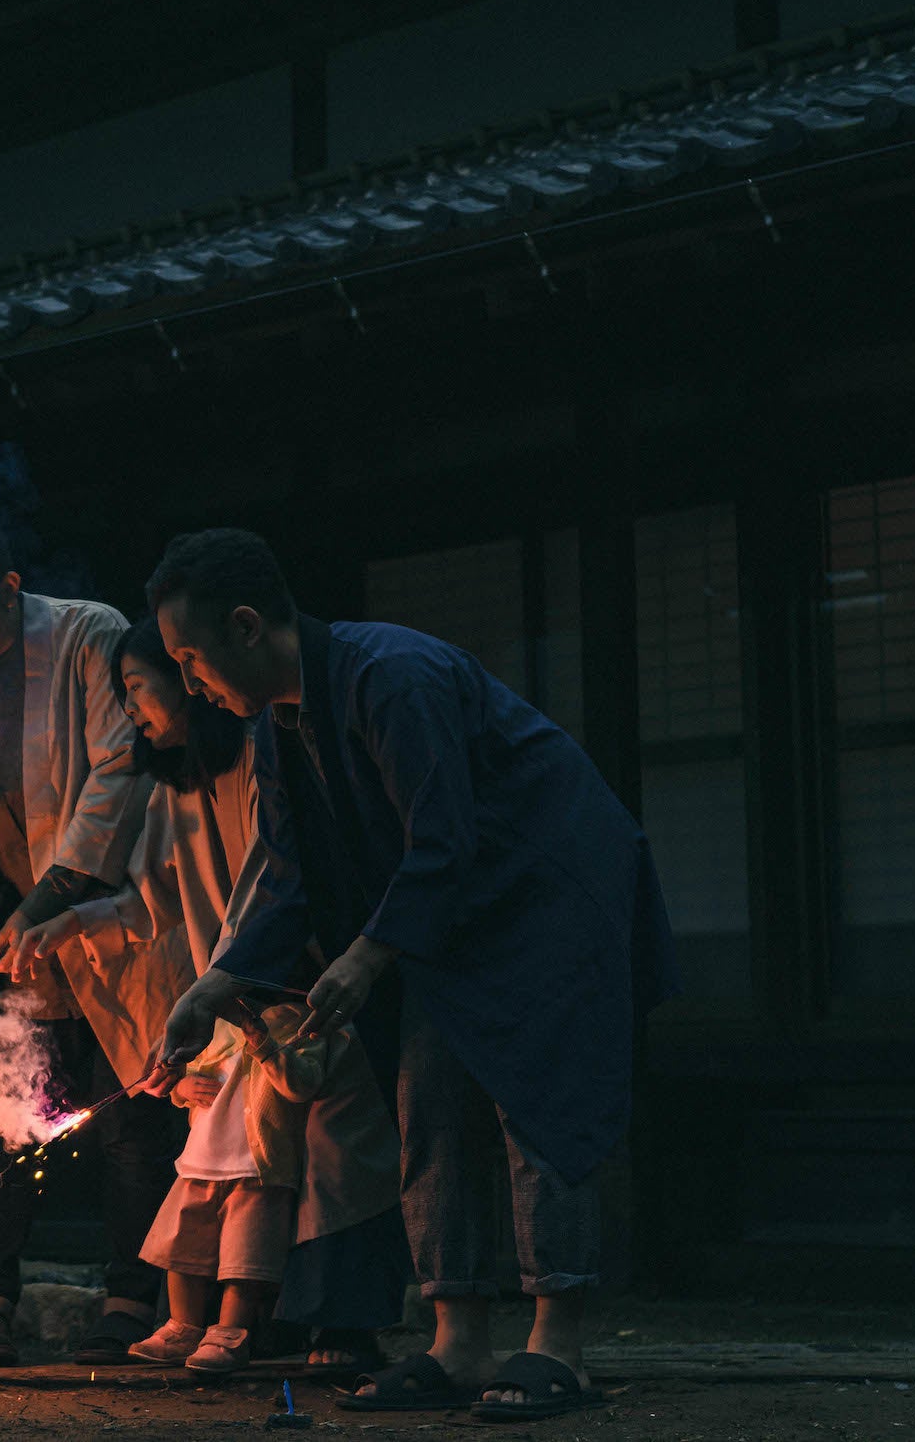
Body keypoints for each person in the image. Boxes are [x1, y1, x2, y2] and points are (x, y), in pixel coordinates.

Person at [147, 529, 677, 1422]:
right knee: (425, 1101)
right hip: (442, 923)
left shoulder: (390, 673)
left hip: (542, 894)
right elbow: (284, 873)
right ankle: (457, 1337)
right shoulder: (276, 726)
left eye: (191, 658)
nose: (189, 683)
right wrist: (216, 986)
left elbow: (443, 832)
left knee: (536, 1101)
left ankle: (557, 1342)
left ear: (245, 626)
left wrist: (366, 953)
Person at [16, 617, 406, 1379]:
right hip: (229, 1000)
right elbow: (154, 901)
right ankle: (250, 1321)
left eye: (140, 686)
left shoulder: (268, 758)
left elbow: (283, 883)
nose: (135, 709)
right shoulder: (170, 791)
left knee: (331, 1154)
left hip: (306, 985)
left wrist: (232, 980)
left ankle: (343, 1318)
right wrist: (73, 919)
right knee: (230, 1164)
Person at [0, 504, 186, 1366]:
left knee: (130, 1118)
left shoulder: (88, 636)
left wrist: (54, 895)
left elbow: (117, 771)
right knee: (5, 1114)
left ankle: (131, 1298)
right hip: (13, 933)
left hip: (112, 917)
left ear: (10, 590)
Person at [128, 999, 332, 1372]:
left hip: (258, 1168)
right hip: (201, 1161)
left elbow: (301, 1086)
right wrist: (182, 1087)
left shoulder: (305, 1028)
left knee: (245, 1256)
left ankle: (229, 1333)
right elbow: (186, 1074)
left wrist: (264, 1044)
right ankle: (182, 1328)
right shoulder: (215, 1026)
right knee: (182, 1246)